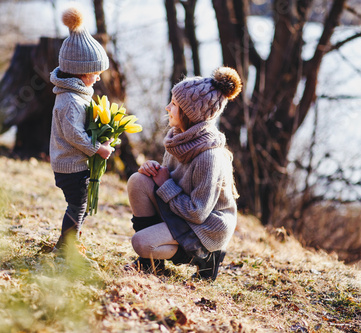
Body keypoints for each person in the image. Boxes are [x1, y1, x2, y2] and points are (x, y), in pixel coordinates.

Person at [126, 66, 242, 280]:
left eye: (174, 105)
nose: (167, 107)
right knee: (138, 181)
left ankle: (206, 258)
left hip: (206, 226)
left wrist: (164, 183)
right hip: (181, 211)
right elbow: (168, 178)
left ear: (190, 114)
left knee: (141, 243)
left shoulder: (209, 157)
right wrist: (153, 170)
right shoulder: (179, 139)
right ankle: (152, 264)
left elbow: (198, 213)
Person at [50, 5, 114, 253]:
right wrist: (97, 148)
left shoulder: (75, 95)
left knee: (81, 204)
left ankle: (69, 243)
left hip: (73, 163)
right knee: (77, 205)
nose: (98, 77)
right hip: (70, 165)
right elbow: (74, 134)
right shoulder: (71, 101)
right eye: (95, 73)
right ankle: (66, 249)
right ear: (80, 72)